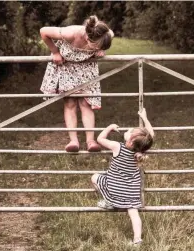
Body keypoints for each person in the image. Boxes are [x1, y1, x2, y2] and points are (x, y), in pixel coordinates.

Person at [40, 15, 114, 152]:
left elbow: (111, 34)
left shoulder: (102, 33)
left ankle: (90, 141)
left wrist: (101, 48)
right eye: (96, 45)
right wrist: (55, 52)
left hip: (86, 68)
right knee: (70, 103)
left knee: (86, 103)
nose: (95, 48)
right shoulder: (71, 33)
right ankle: (73, 141)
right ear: (87, 38)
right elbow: (43, 31)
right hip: (66, 65)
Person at [91, 108, 155, 246]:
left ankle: (108, 201)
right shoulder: (142, 151)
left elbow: (99, 139)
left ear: (131, 142)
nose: (128, 130)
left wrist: (109, 127)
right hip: (131, 191)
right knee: (134, 213)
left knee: (95, 177)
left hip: (114, 188)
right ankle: (137, 239)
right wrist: (145, 118)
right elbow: (151, 134)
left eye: (129, 132)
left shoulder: (117, 147)